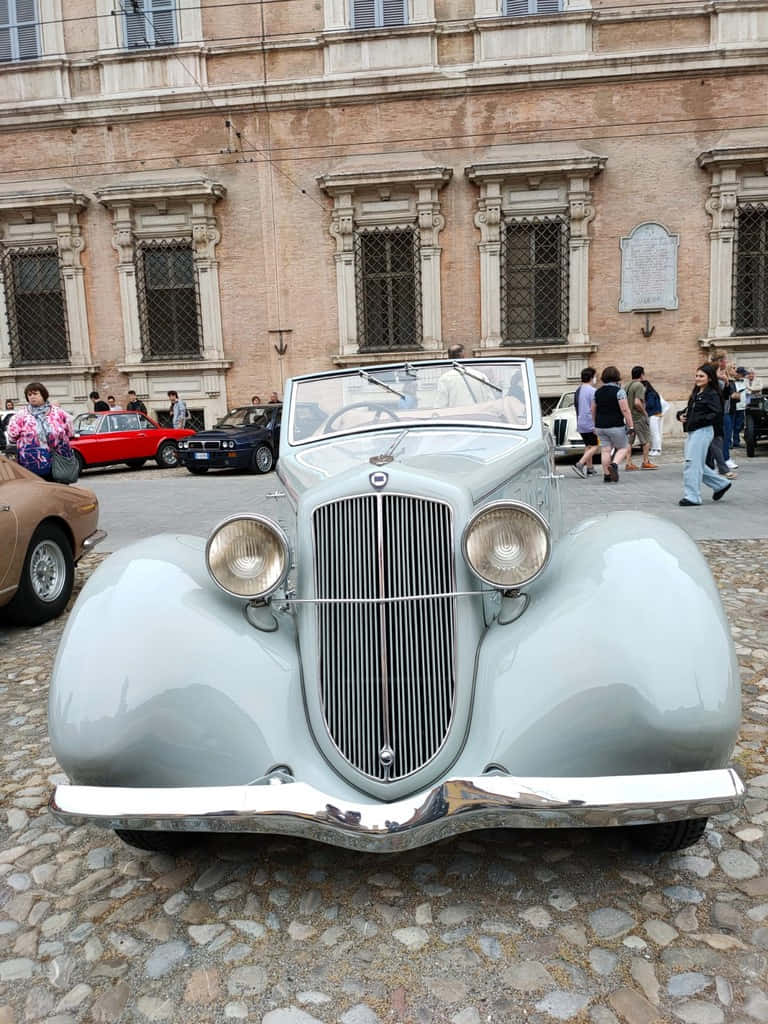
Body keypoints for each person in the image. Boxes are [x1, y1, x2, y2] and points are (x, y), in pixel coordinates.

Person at [677, 363, 732, 506]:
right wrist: (681, 415)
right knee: (696, 463)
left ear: (709, 378)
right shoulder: (697, 393)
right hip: (693, 431)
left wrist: (698, 420)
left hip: (703, 431)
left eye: (701, 376)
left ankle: (692, 496)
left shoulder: (712, 394)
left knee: (691, 463)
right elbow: (690, 409)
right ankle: (721, 484)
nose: (697, 378)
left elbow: (716, 413)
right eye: (696, 375)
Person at [6, 382, 74, 480]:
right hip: (31, 464)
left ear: (43, 394)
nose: (32, 397)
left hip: (58, 462)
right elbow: (12, 436)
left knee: (58, 491)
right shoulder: (21, 415)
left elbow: (70, 431)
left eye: (35, 394)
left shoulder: (58, 413)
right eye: (29, 395)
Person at [591, 366, 633, 483]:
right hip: (615, 425)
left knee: (605, 450)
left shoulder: (597, 392)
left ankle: (607, 475)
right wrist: (631, 426)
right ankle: (614, 465)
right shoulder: (619, 392)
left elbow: (593, 409)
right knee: (623, 447)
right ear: (617, 377)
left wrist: (594, 424)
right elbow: (625, 410)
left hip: (600, 426)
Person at [624, 366, 657, 470]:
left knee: (629, 441)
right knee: (646, 440)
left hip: (629, 417)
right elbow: (637, 402)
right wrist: (644, 412)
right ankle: (645, 461)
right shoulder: (639, 385)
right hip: (638, 417)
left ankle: (628, 463)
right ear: (642, 374)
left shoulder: (627, 386)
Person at [572, 367, 599, 478]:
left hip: (581, 422)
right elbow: (594, 408)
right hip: (590, 422)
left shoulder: (578, 390)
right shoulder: (593, 391)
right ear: (592, 377)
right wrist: (595, 424)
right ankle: (580, 464)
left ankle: (590, 468)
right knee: (595, 446)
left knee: (588, 446)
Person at [731, 367, 748, 448]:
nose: (744, 376)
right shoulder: (732, 382)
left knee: (739, 426)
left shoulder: (744, 382)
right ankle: (730, 442)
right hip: (734, 407)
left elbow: (746, 393)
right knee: (732, 425)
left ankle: (736, 442)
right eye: (743, 374)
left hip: (742, 407)